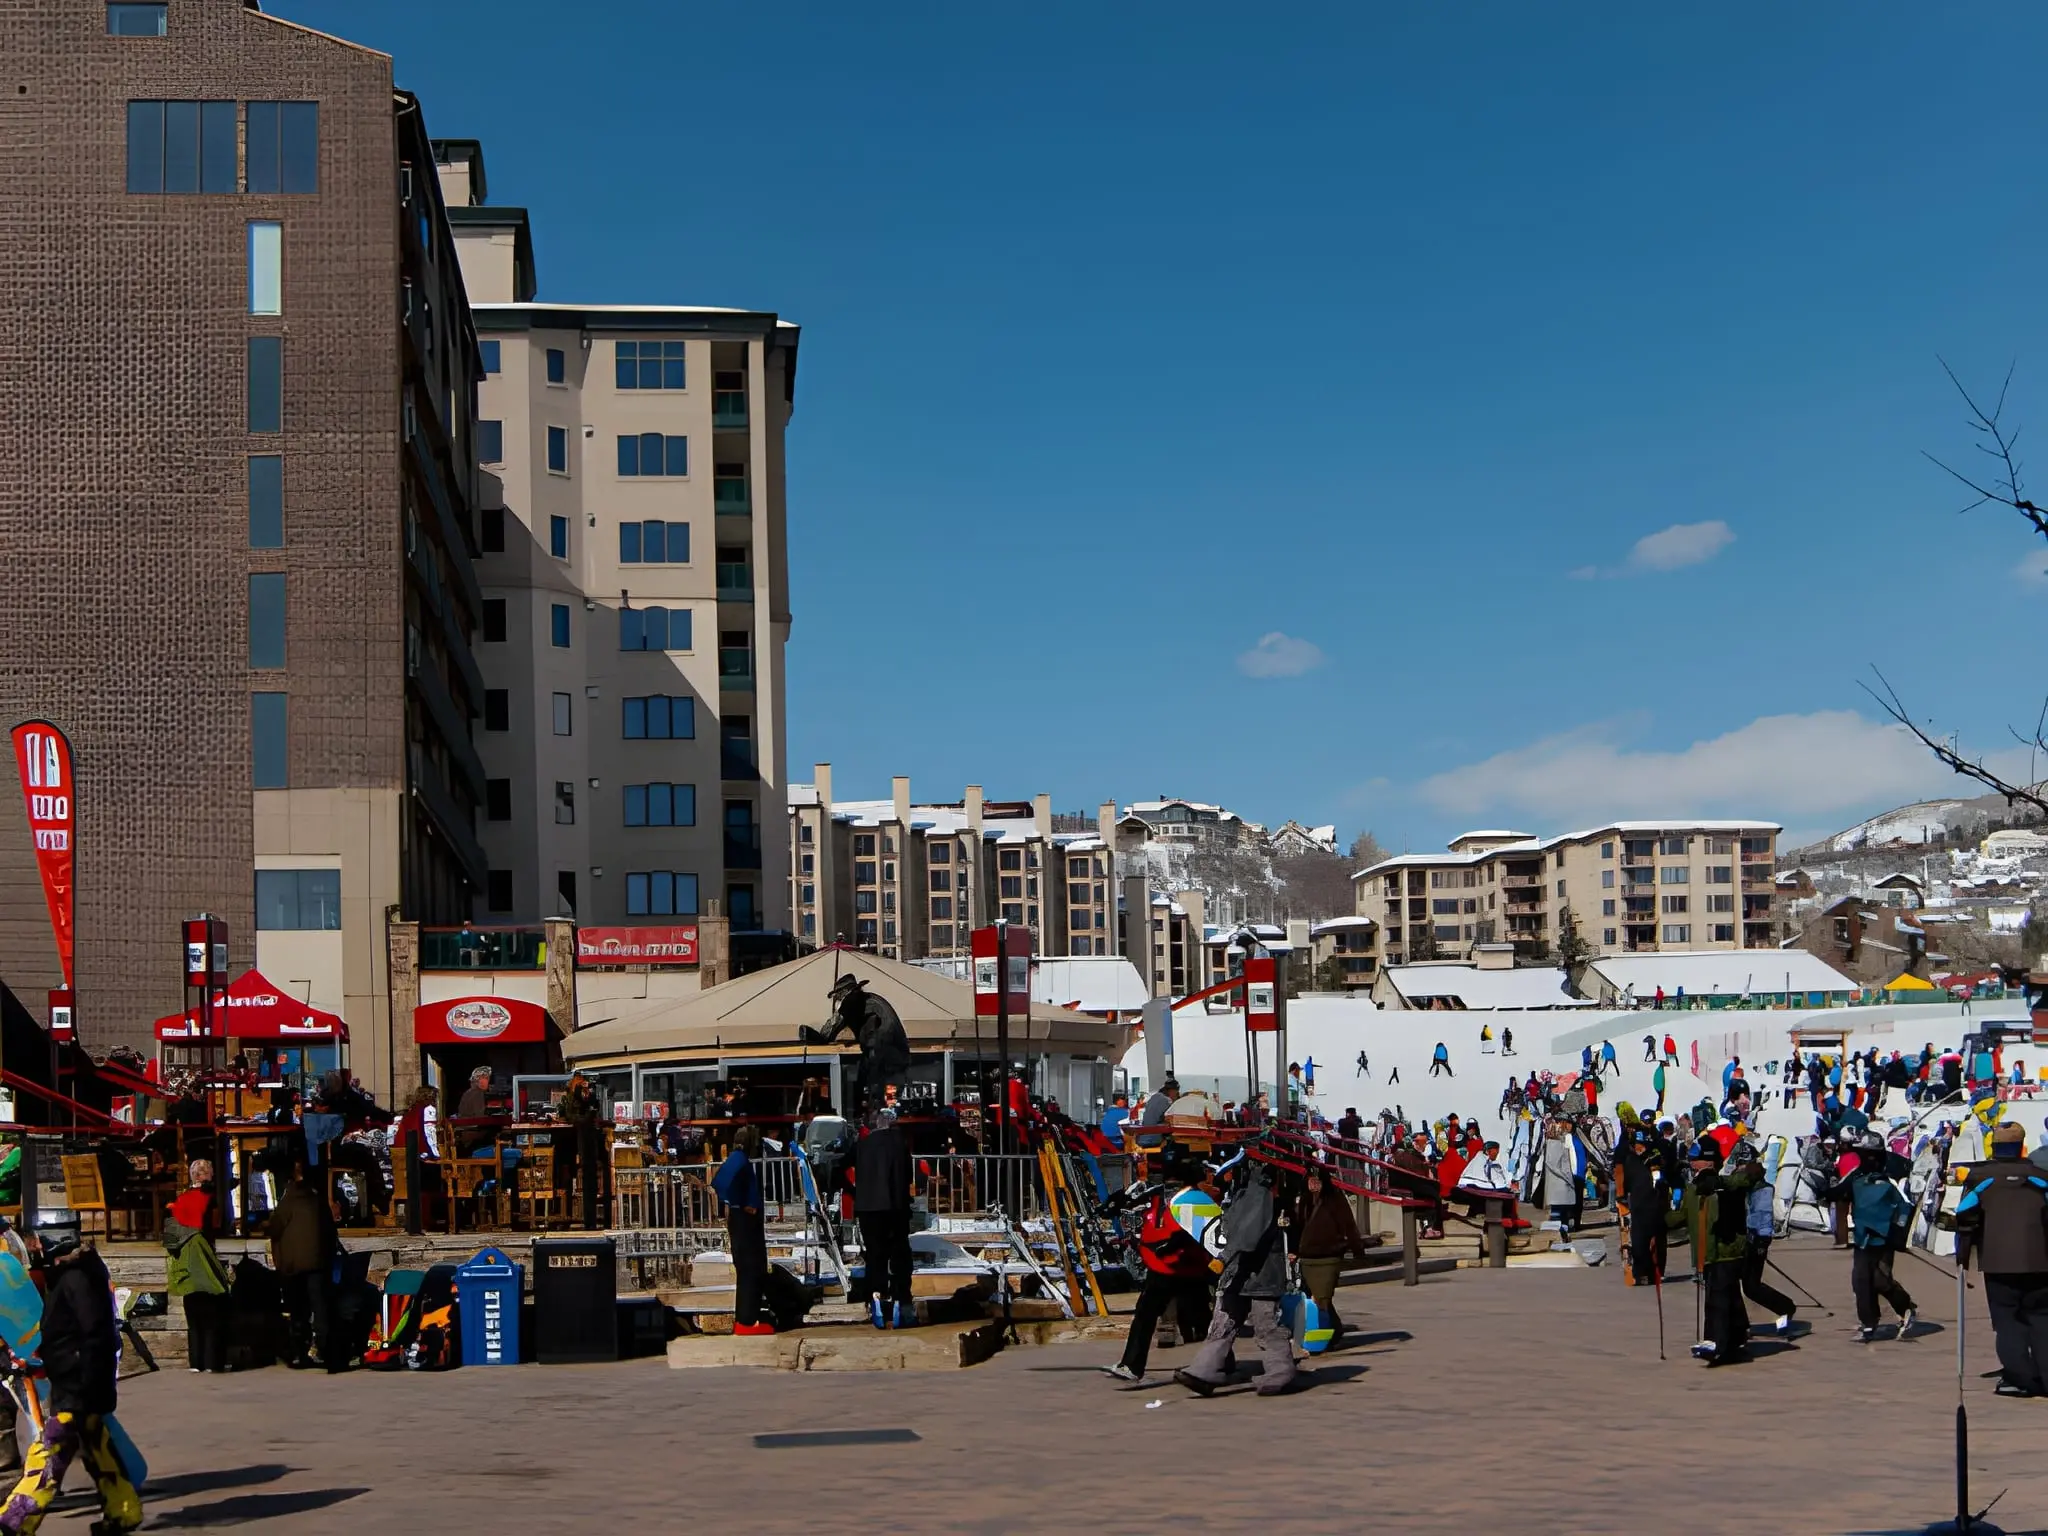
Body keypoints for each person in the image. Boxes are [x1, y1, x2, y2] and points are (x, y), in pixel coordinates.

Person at [0, 1219, 141, 1536]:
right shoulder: (77, 1274)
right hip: (81, 1382)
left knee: (48, 1454)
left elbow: (90, 1335)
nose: (34, 1248)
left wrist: (74, 1373)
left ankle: (13, 1522)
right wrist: (39, 1359)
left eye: (37, 1241)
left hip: (78, 1385)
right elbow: (70, 1334)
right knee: (99, 1451)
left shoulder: (76, 1278)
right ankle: (124, 1511)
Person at [1175, 1163, 1296, 1398]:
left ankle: (1280, 1372)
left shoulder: (1257, 1195)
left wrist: (1224, 1257)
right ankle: (1204, 1370)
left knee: (1266, 1325)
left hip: (1259, 1273)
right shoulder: (1241, 1193)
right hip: (1238, 1273)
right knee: (1223, 1323)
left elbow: (1247, 1234)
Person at [1953, 1122, 2048, 1396]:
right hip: (2040, 1261)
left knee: (2008, 1321)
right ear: (2021, 1147)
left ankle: (2021, 1380)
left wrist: (1963, 1259)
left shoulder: (1980, 1178)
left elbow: (1965, 1218)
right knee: (2041, 1319)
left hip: (1998, 1261)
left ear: (1993, 1147)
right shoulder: (2040, 1176)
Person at [1105, 1161, 1220, 1383]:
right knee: (1145, 1314)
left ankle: (1223, 1363)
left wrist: (1174, 1244)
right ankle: (1131, 1366)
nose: (1169, 1185)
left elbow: (1198, 1230)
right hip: (1162, 1267)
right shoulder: (1157, 1196)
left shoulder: (1198, 1199)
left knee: (1202, 1320)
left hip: (1189, 1268)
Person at [1676, 1138, 1760, 1365]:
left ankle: (1715, 1342)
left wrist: (1720, 1184)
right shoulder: (1693, 1187)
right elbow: (1681, 1217)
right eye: (1691, 1160)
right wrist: (1655, 1216)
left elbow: (1750, 1176)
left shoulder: (1727, 1183)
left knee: (1717, 1299)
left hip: (1726, 1250)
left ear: (1711, 1161)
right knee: (1728, 1295)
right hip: (1707, 1253)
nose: (1692, 1163)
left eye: (1697, 1159)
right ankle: (1738, 1335)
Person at [1837, 1130, 1916, 1341]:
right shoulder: (1856, 1176)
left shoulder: (1890, 1179)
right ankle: (1869, 1322)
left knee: (1881, 1280)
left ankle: (1906, 1306)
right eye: (1863, 1154)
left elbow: (1906, 1208)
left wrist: (1898, 1234)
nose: (1867, 1158)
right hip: (1862, 1237)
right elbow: (1839, 1192)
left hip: (1885, 1238)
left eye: (1871, 1154)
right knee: (1860, 1280)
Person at [268, 1157, 340, 1370]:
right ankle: (326, 1352)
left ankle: (300, 1353)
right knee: (320, 1308)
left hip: (293, 1266)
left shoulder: (288, 1201)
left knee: (298, 1310)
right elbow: (330, 1231)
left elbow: (274, 1228)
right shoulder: (317, 1201)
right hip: (317, 1263)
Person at [164, 1162, 230, 1374]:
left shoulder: (180, 1200)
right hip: (204, 1260)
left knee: (193, 1318)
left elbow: (169, 1239)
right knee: (212, 1315)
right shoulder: (210, 1200)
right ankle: (212, 1363)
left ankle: (196, 1363)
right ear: (208, 1176)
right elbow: (217, 1226)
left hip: (184, 1265)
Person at [853, 1108, 914, 1330]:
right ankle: (900, 1298)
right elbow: (908, 1175)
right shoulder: (900, 1145)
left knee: (875, 1255)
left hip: (868, 1208)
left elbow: (838, 1166)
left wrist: (854, 1191)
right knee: (899, 1253)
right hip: (895, 1207)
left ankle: (876, 1296)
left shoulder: (862, 1145)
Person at [1295, 1162, 1370, 1341]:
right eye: (1311, 1180)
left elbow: (1348, 1224)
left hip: (1329, 1255)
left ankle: (1324, 1338)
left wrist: (1357, 1249)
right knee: (1318, 1299)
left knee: (1322, 1298)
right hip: (1306, 1256)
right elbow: (1296, 1226)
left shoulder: (1334, 1197)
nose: (1313, 1184)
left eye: (1317, 1181)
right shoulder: (1302, 1199)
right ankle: (1334, 1330)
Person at [1728, 1141, 1797, 1332]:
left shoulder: (1762, 1188)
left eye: (1743, 1163)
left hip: (1756, 1238)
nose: (1739, 1167)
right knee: (1733, 1282)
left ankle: (1786, 1308)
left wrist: (1762, 1240)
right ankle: (1739, 1324)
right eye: (1738, 1163)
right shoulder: (1739, 1181)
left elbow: (1764, 1215)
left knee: (1751, 1287)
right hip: (1739, 1239)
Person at [714, 1125, 774, 1336]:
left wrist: (732, 1202)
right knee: (752, 1271)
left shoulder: (733, 1159)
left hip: (738, 1222)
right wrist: (743, 1204)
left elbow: (718, 1182)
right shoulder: (742, 1163)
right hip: (747, 1224)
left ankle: (745, 1320)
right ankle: (748, 1322)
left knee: (746, 1271)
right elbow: (729, 1187)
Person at [552, 1070, 604, 1229]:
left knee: (587, 1175)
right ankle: (574, 1214)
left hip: (584, 1144)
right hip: (573, 1143)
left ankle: (589, 1218)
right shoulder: (569, 1098)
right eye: (579, 1083)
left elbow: (587, 1113)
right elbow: (570, 1115)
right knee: (573, 1174)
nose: (583, 1086)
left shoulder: (587, 1099)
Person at [453, 1066, 496, 1157]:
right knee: (498, 1134)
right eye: (486, 1078)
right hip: (471, 1136)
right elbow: (480, 1117)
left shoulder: (469, 1092)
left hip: (465, 1133)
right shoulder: (477, 1093)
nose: (488, 1081)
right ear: (478, 1079)